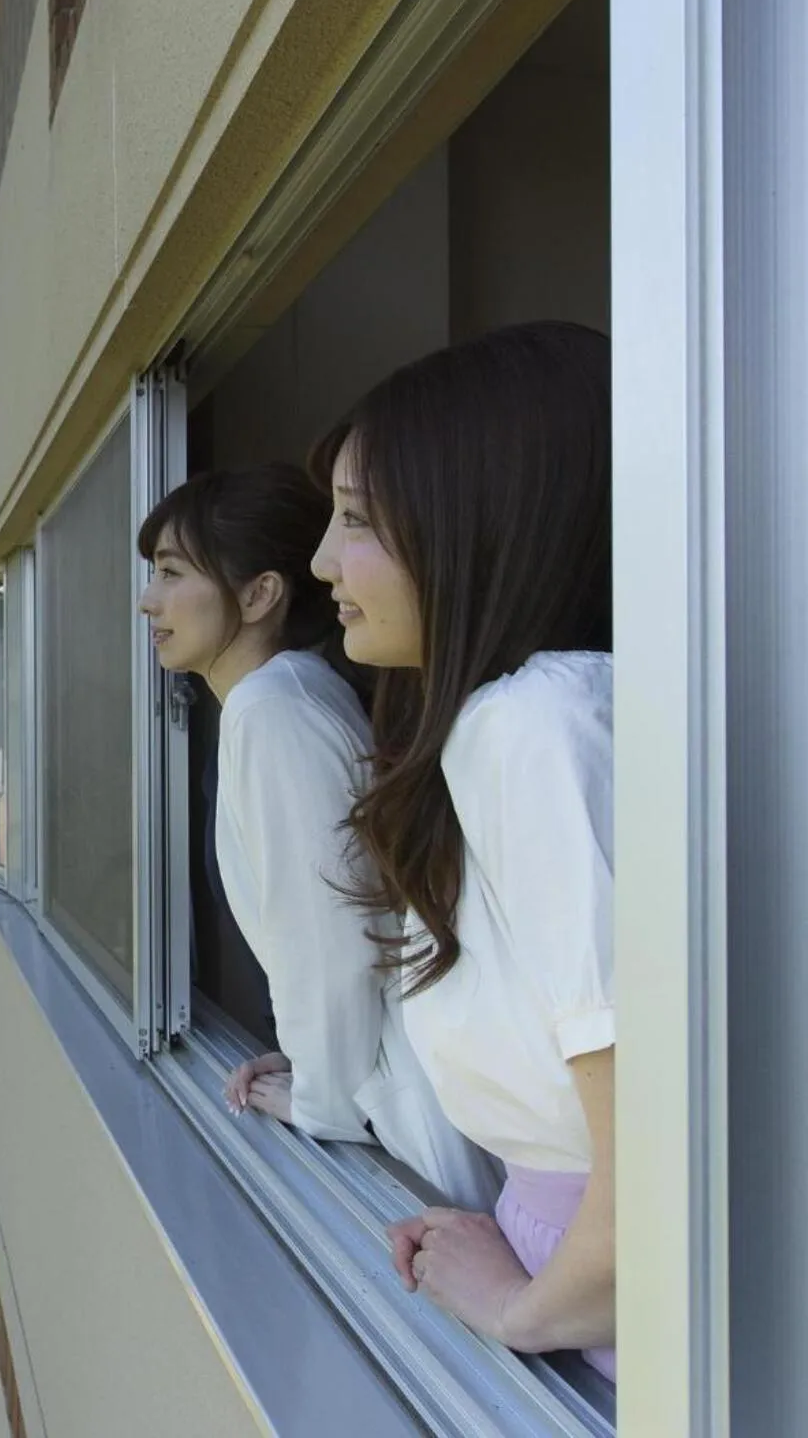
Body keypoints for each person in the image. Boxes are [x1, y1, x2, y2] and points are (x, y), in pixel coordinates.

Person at [309, 321, 615, 1377]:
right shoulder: (532, 721)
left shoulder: (532, 727)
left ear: (476, 525)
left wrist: (516, 1311)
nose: (318, 563)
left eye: (354, 520)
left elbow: (665, 1169)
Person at [137, 464, 499, 1212]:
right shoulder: (291, 694)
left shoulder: (270, 712)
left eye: (171, 573)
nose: (149, 600)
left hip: (403, 1121)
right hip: (395, 1087)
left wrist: (321, 1098)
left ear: (259, 594)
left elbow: (331, 941)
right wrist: (309, 1063)